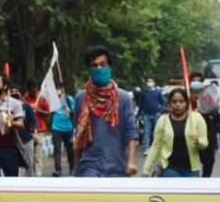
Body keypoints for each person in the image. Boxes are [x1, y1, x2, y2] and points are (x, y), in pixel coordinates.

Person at [73, 46, 138, 177]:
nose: (99, 69)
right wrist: (76, 166)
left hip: (117, 165)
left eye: (103, 65)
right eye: (94, 66)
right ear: (89, 70)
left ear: (109, 66)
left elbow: (131, 133)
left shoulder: (123, 98)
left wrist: (131, 162)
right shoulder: (81, 98)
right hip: (89, 165)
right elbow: (79, 135)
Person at [142, 88, 208, 177]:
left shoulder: (197, 118)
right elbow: (156, 146)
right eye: (174, 102)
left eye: (181, 101)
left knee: (189, 191)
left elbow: (204, 145)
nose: (177, 105)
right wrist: (146, 170)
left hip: (192, 170)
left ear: (187, 103)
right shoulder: (163, 120)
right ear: (169, 104)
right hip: (170, 168)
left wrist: (198, 140)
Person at [51, 85, 76, 176]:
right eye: (56, 89)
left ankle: (72, 168)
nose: (58, 91)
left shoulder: (69, 99)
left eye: (59, 89)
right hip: (56, 127)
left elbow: (75, 112)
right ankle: (58, 170)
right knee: (57, 149)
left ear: (63, 90)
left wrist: (70, 111)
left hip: (68, 128)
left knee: (70, 149)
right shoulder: (53, 101)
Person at [141, 77, 165, 155]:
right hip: (146, 115)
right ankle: (147, 148)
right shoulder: (144, 92)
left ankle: (158, 147)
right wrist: (139, 114)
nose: (149, 83)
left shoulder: (157, 92)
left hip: (156, 114)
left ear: (154, 83)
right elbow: (141, 104)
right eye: (148, 81)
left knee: (157, 131)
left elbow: (163, 102)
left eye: (151, 81)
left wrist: (160, 111)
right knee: (147, 132)